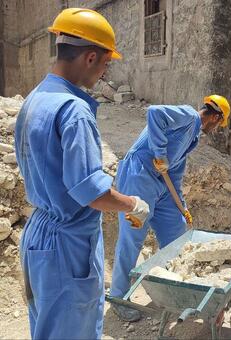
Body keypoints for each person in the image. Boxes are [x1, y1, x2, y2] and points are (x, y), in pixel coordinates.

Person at [14, 8, 150, 339]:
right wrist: (133, 204)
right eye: (106, 63)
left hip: (38, 236)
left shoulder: (36, 99)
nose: (105, 72)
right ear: (90, 57)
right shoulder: (74, 111)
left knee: (48, 329)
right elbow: (92, 192)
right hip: (67, 245)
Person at [109, 95, 231, 321]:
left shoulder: (192, 137)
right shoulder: (188, 116)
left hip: (162, 184)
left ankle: (168, 288)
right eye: (218, 125)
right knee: (133, 237)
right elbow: (154, 112)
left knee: (176, 231)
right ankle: (118, 297)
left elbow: (174, 173)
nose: (216, 129)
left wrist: (181, 206)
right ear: (215, 117)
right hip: (139, 175)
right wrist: (160, 153)